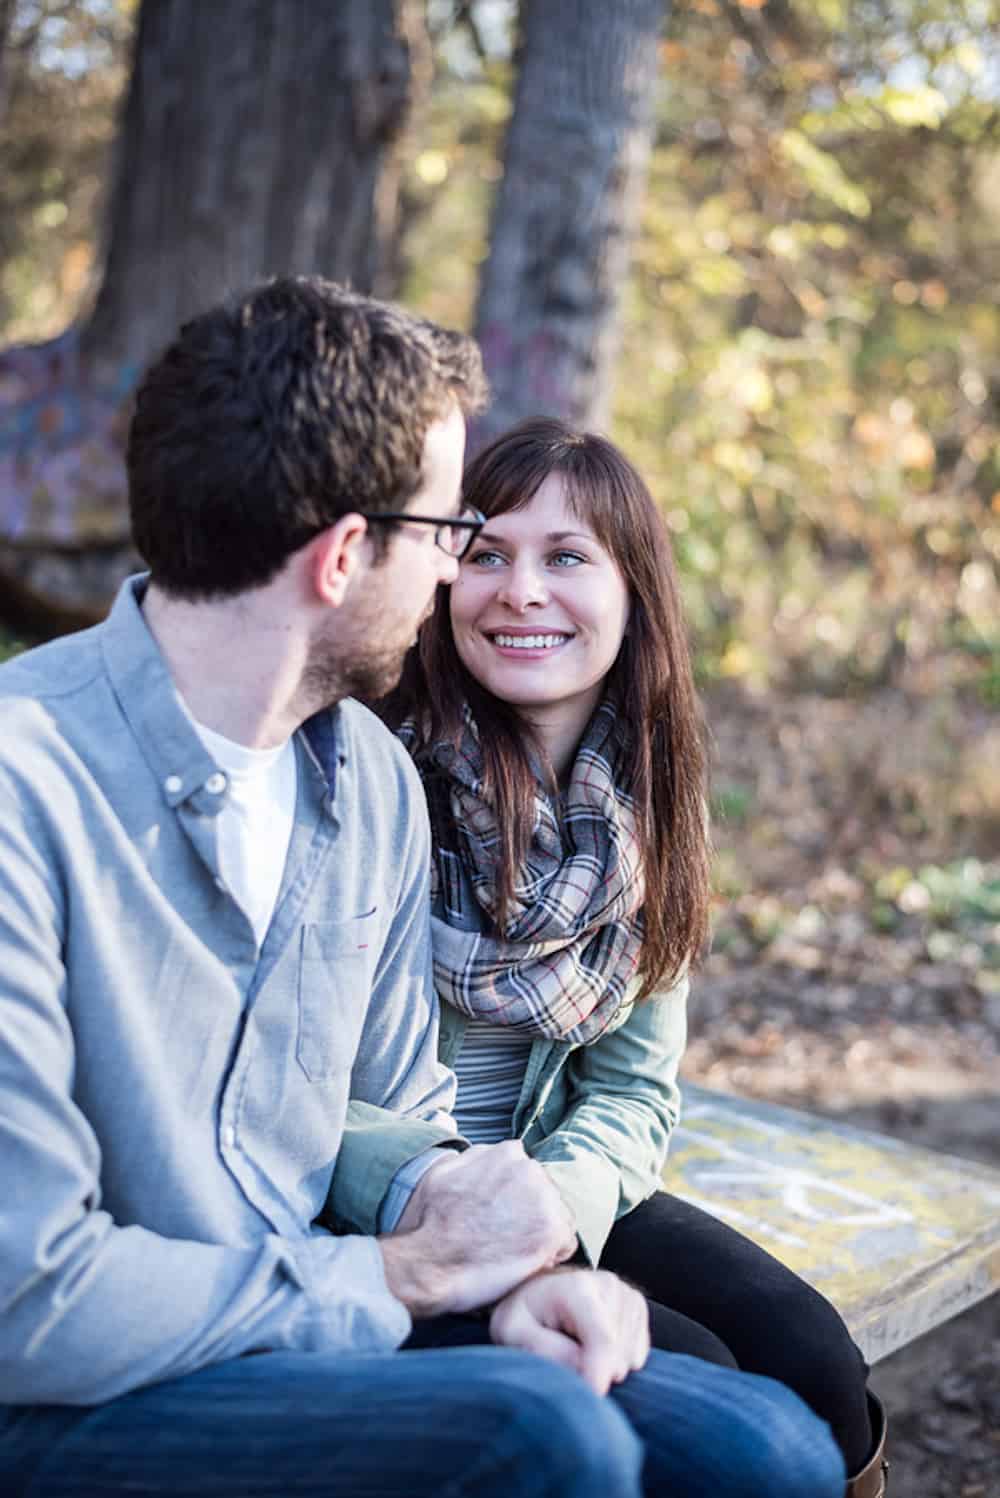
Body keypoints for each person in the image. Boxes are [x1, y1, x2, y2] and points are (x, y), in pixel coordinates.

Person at [0, 277, 846, 1498]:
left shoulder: (363, 785)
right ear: (348, 554)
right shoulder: (30, 785)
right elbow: (30, 1301)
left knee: (764, 1454)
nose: (467, 579)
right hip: (82, 1381)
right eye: (455, 534)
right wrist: (400, 1277)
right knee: (545, 1439)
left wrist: (519, 1257)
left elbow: (406, 1117)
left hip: (301, 1310)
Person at [384, 416, 888, 1498]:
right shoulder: (381, 774)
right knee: (696, 1383)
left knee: (812, 1357)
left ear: (632, 593)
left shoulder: (652, 801)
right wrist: (483, 1217)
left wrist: (556, 1207)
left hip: (562, 1174)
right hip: (401, 1199)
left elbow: (631, 1093)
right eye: (486, 554)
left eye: (565, 557)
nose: (522, 590)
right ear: (441, 581)